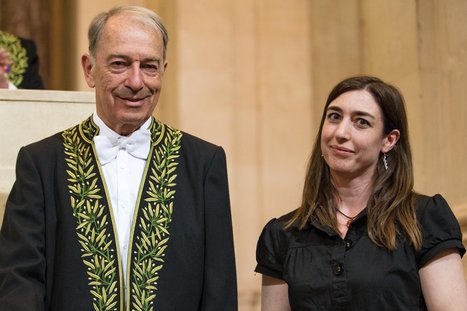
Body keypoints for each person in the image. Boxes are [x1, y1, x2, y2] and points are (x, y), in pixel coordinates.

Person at [0, 5, 237, 310]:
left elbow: (219, 290)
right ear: (89, 69)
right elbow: (20, 282)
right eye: (120, 64)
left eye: (149, 66)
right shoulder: (41, 163)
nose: (136, 82)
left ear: (163, 71)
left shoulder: (204, 163)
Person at [255, 75, 467, 310]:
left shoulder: (424, 218)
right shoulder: (282, 234)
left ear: (389, 140)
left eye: (361, 122)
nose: (341, 132)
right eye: (334, 117)